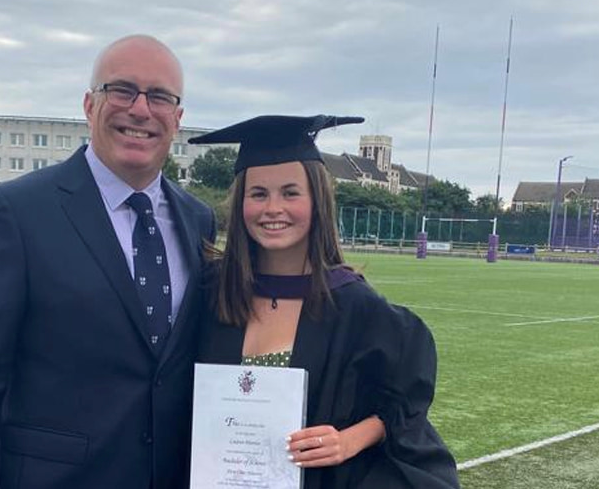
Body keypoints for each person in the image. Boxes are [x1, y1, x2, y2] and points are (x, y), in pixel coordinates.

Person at [0, 35, 216, 489]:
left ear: (178, 118)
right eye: (122, 89)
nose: (141, 110)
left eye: (160, 96)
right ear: (90, 105)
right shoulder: (17, 212)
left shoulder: (196, 219)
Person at [191, 115, 459, 488]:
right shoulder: (210, 292)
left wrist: (348, 440)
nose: (273, 208)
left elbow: (402, 406)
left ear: (318, 200)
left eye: (290, 192)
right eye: (258, 194)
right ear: (240, 205)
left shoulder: (353, 305)